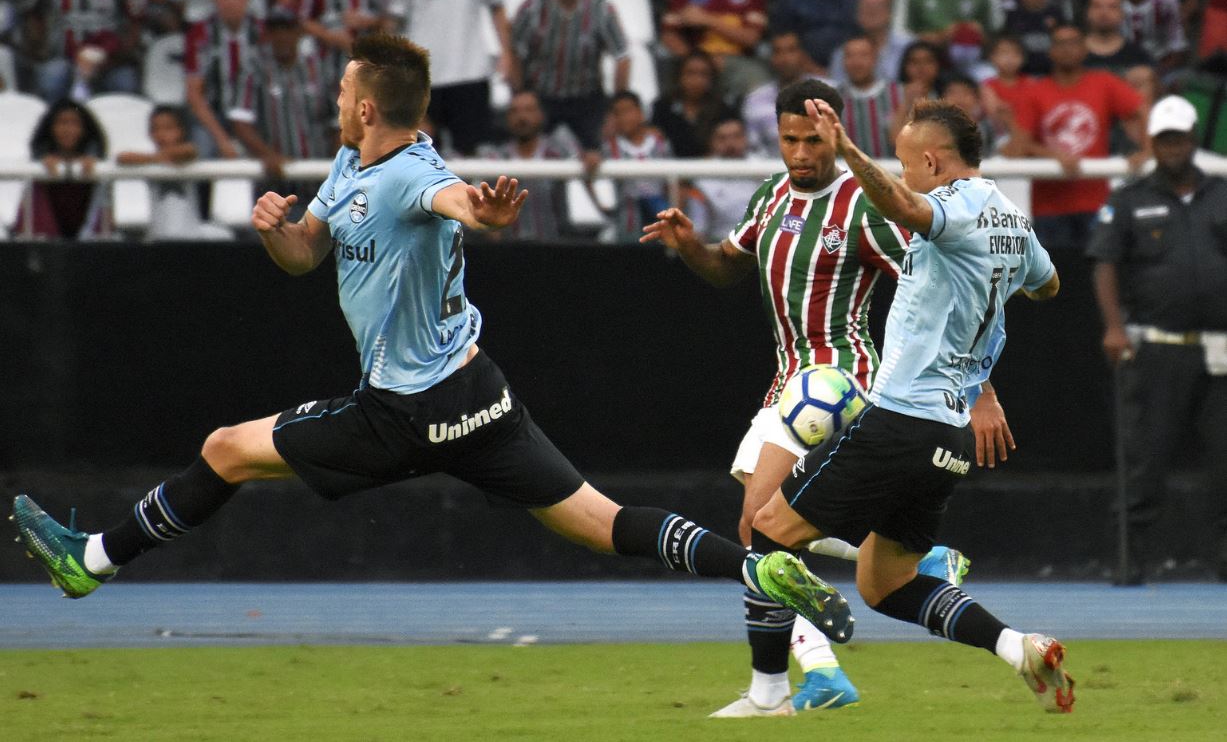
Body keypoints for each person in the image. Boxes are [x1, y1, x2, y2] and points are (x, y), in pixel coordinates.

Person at [11, 35, 845, 667]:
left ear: (368, 106)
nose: (338, 101)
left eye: (344, 91)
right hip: (477, 396)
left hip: (403, 411)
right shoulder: (349, 164)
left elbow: (460, 204)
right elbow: (307, 253)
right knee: (602, 522)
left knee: (224, 450)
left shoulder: (415, 174)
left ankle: (92, 562)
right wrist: (278, 232)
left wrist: (488, 212)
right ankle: (757, 571)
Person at [641, 80, 991, 717]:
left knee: (760, 523)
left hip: (839, 377)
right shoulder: (771, 196)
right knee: (758, 535)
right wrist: (690, 245)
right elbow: (728, 265)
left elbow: (945, 286)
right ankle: (793, 679)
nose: (800, 152)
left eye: (812, 138)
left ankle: (796, 681)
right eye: (788, 139)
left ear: (835, 132)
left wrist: (980, 388)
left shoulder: (863, 203)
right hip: (788, 378)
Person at [747, 93, 1071, 714]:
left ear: (930, 162)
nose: (899, 175)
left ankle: (809, 614)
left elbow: (902, 205)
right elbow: (1049, 285)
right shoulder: (1014, 218)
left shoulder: (957, 204)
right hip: (949, 436)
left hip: (901, 418)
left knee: (764, 534)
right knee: (885, 584)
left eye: (902, 163)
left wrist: (846, 150)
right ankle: (1016, 646)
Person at [1086, 95, 1227, 585]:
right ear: (1152, 143)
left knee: (1225, 460)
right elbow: (1105, 262)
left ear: (1192, 141)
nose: (1172, 148)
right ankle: (1129, 559)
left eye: (1180, 138)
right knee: (1147, 457)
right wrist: (1113, 325)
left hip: (1221, 348)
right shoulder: (1130, 198)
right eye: (1163, 139)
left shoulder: (1222, 193)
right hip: (1159, 345)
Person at [1012, 23, 1146, 251]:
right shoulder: (1034, 91)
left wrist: (1147, 150)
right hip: (1049, 207)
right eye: (1060, 44)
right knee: (1054, 279)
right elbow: (1017, 145)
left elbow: (1142, 113)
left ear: (1084, 49)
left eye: (1073, 43)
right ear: (1051, 51)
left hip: (1096, 201)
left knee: (1102, 266)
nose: (1067, 50)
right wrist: (1053, 155)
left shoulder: (1104, 82)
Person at [509, 0, 629, 173]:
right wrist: (519, 95)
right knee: (536, 156)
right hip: (542, 98)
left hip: (587, 100)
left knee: (597, 157)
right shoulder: (533, 7)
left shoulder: (601, 9)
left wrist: (616, 108)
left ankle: (601, 201)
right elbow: (514, 52)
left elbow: (622, 56)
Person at [229, 6, 333, 210]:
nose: (281, 36)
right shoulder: (254, 70)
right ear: (267, 35)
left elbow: (336, 122)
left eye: (287, 29)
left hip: (318, 184)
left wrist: (336, 164)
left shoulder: (317, 69)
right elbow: (241, 123)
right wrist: (267, 154)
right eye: (275, 31)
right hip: (274, 188)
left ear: (298, 32)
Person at [389, 0, 514, 156]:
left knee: (472, 151)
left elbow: (497, 7)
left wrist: (506, 53)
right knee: (422, 151)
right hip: (422, 75)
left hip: (470, 71)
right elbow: (394, 21)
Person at [115, 105, 233, 242]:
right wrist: (156, 159)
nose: (161, 134)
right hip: (158, 235)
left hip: (192, 235)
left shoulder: (188, 153)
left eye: (168, 128)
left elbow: (188, 152)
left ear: (181, 130)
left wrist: (154, 159)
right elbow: (122, 158)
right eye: (155, 129)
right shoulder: (149, 161)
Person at [475, 89, 573, 242]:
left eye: (529, 110)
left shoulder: (559, 154)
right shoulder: (494, 159)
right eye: (515, 111)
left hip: (554, 248)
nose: (521, 117)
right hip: (508, 251)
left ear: (541, 114)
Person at [184, 0, 262, 159]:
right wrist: (222, 139)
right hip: (215, 115)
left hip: (255, 115)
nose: (229, 2)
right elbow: (194, 94)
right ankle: (201, 185)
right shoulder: (200, 34)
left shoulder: (262, 31)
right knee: (202, 145)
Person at [18, 98, 110, 240]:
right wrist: (43, 165)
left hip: (89, 245)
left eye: (75, 123)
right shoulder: (38, 166)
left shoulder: (95, 166)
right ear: (50, 127)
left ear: (85, 129)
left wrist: (94, 166)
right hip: (47, 245)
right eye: (62, 123)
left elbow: (106, 218)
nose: (68, 130)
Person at [659, 0, 771, 98]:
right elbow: (669, 35)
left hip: (738, 60)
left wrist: (707, 20)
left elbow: (751, 38)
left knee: (759, 83)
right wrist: (697, 59)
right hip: (695, 59)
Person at [599, 90, 674, 243]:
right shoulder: (609, 147)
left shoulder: (660, 143)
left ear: (641, 113)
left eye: (627, 110)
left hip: (659, 212)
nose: (623, 117)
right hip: (628, 218)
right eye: (617, 113)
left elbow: (673, 181)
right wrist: (600, 205)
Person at [742, 31, 822, 157]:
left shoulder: (829, 92)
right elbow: (753, 149)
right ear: (772, 58)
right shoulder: (755, 100)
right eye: (778, 52)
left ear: (803, 55)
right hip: (772, 171)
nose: (784, 58)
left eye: (791, 50)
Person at [683, 115, 761, 243]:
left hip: (760, 245)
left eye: (737, 136)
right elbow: (698, 230)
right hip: (719, 245)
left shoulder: (764, 168)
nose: (730, 144)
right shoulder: (701, 178)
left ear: (746, 138)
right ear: (712, 142)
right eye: (722, 138)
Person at [650, 50, 738, 159]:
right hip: (670, 169)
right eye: (690, 73)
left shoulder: (723, 109)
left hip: (711, 171)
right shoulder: (663, 107)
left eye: (703, 74)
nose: (697, 80)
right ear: (679, 76)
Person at [838, 34, 905, 159]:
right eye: (850, 56)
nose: (856, 62)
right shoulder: (832, 99)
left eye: (863, 55)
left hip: (891, 175)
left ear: (875, 58)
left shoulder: (899, 95)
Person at [827, 0, 914, 87]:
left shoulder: (909, 46)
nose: (871, 11)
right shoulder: (843, 53)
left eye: (877, 6)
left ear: (889, 12)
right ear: (857, 13)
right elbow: (837, 88)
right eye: (866, 6)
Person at [1083, 0, 1154, 75]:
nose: (1104, 12)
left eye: (1112, 7)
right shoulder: (1071, 55)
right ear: (1087, 12)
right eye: (1097, 6)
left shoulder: (1139, 57)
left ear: (1122, 13)